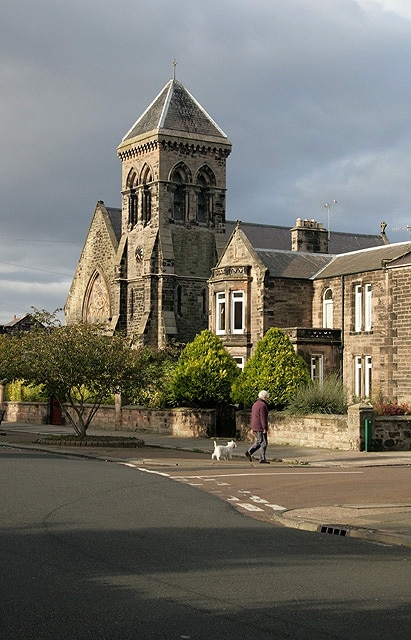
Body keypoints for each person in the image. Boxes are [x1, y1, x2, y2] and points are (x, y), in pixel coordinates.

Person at [246, 390, 270, 464]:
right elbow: (263, 417)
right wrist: (265, 428)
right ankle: (251, 452)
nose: (267, 399)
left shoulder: (255, 404)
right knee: (262, 442)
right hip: (260, 426)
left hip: (255, 425)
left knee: (261, 441)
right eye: (267, 397)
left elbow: (253, 417)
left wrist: (252, 427)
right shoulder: (263, 405)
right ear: (264, 397)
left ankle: (261, 457)